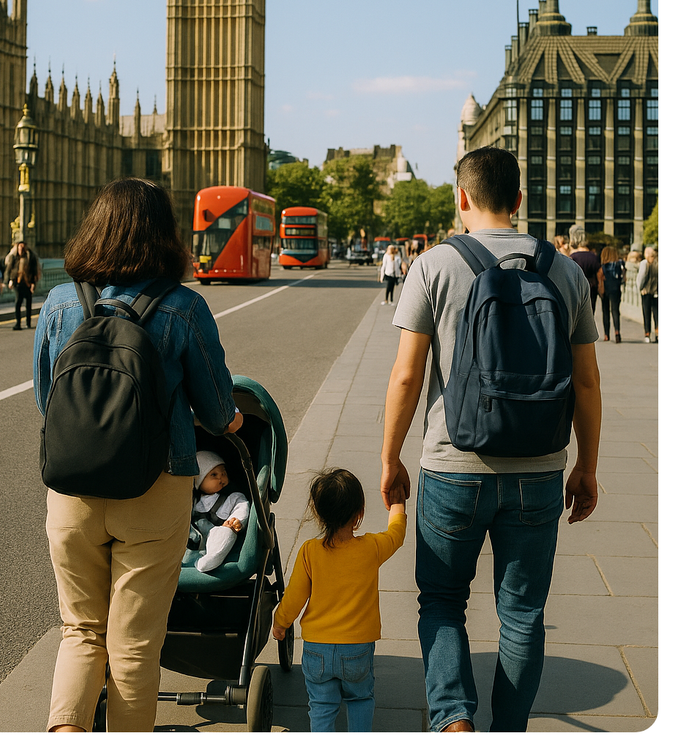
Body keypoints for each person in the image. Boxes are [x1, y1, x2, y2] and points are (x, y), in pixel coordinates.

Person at [381, 146, 601, 733]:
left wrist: (390, 458)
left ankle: (453, 721)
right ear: (520, 201)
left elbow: (406, 375)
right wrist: (587, 466)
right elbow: (586, 379)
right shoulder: (565, 271)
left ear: (462, 198)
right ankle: (509, 735)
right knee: (524, 613)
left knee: (444, 600)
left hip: (453, 463)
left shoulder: (433, 266)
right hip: (539, 467)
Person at [33, 177, 243, 732]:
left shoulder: (58, 302)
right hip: (155, 487)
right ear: (162, 236)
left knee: (80, 632)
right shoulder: (183, 307)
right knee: (134, 644)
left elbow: (43, 399)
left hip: (73, 490)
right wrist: (234, 419)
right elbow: (220, 412)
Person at [272, 468, 406, 732]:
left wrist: (280, 623)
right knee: (360, 699)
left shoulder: (310, 551)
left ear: (319, 514)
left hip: (317, 649)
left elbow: (294, 598)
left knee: (321, 706)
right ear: (359, 514)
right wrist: (398, 503)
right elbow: (397, 534)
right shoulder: (371, 548)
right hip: (356, 648)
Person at [190, 450, 250, 572]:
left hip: (216, 535)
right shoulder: (192, 500)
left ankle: (212, 558)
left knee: (226, 533)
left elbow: (242, 507)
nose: (221, 478)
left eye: (223, 473)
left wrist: (235, 521)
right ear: (198, 481)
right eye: (214, 475)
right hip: (194, 539)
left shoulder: (232, 497)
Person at [6, 240, 40, 329]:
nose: (21, 249)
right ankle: (18, 323)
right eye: (19, 247)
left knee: (28, 304)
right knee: (18, 303)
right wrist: (9, 280)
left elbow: (34, 270)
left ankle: (28, 322)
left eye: (22, 247)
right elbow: (10, 269)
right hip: (18, 283)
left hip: (28, 283)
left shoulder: (30, 257)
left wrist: (33, 283)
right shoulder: (14, 257)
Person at [568, 226, 601, 313]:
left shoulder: (573, 257)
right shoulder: (593, 256)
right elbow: (599, 272)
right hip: (591, 288)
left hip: (577, 289)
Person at [598, 245, 625, 343]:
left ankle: (606, 334)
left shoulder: (603, 266)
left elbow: (600, 277)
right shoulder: (619, 264)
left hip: (605, 289)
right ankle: (617, 332)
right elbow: (623, 276)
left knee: (605, 311)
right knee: (615, 311)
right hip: (616, 289)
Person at [636, 246, 658, 344]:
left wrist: (640, 288)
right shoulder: (658, 263)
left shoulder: (644, 263)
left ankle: (647, 334)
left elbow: (641, 277)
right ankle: (658, 334)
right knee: (657, 315)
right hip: (656, 292)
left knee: (646, 313)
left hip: (646, 291)